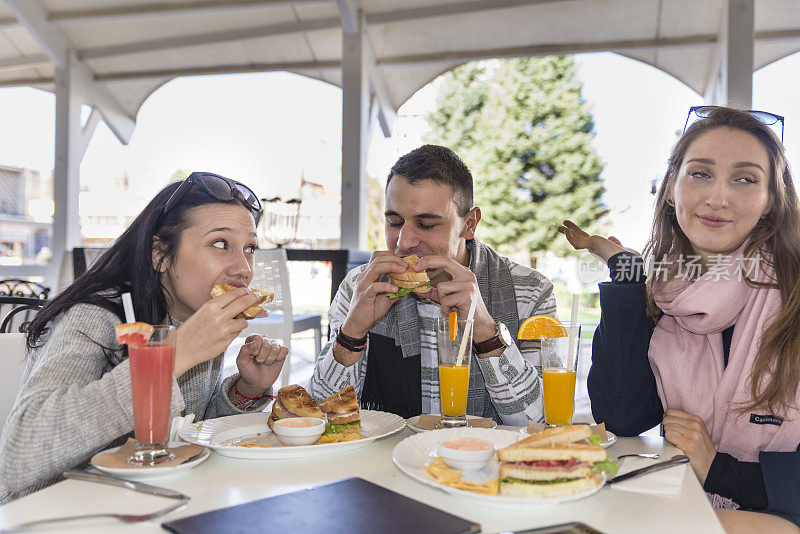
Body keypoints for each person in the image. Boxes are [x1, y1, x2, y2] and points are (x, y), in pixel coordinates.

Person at [560, 107, 800, 532]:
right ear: (671, 190)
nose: (717, 198)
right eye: (700, 174)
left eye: (745, 179)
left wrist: (720, 471)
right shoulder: (666, 295)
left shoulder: (793, 295)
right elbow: (624, 417)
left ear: (770, 202)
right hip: (693, 505)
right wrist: (626, 273)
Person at [0, 172, 288, 502]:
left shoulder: (196, 317)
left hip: (146, 507)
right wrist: (173, 356)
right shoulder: (96, 317)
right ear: (160, 254)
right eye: (221, 244)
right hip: (52, 514)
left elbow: (183, 437)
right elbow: (19, 456)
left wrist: (243, 390)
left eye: (250, 248)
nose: (244, 268)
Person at [309, 145, 556, 425]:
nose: (404, 242)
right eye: (394, 222)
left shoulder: (531, 290)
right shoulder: (360, 287)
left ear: (469, 224)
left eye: (426, 224)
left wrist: (486, 332)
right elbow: (319, 416)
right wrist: (352, 332)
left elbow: (539, 424)